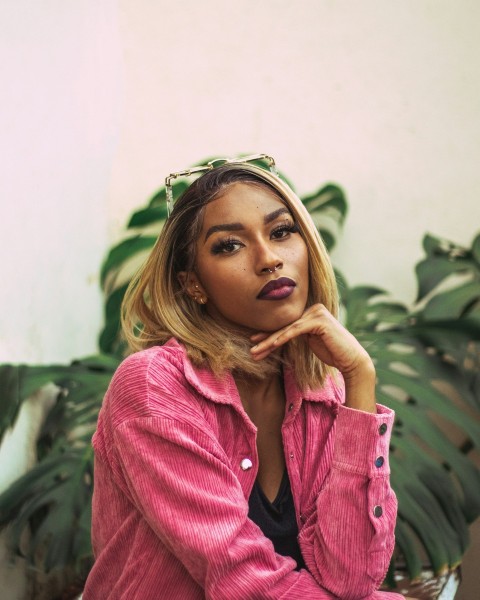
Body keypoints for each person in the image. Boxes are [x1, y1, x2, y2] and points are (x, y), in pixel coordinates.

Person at [84, 156, 409, 599]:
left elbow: (350, 577)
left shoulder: (321, 389)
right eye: (228, 246)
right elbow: (243, 580)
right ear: (193, 285)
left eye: (281, 232)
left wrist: (359, 378)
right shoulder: (153, 387)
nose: (269, 259)